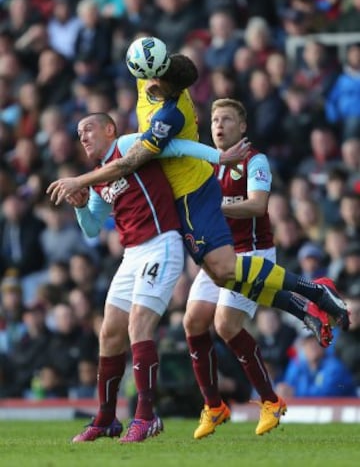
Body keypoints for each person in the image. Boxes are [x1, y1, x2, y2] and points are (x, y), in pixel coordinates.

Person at [47, 47, 349, 335]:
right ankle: (303, 308)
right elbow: (92, 225)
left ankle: (315, 291)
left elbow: (137, 160)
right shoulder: (146, 83)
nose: (153, 84)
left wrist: (80, 181)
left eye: (160, 82)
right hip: (178, 200)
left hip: (192, 192)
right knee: (222, 276)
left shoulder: (169, 115)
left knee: (225, 271)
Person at [67, 111, 248, 444]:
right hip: (131, 253)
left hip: (162, 243)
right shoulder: (98, 177)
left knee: (139, 324)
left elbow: (176, 145)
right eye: (79, 133)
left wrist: (219, 157)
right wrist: (80, 206)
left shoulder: (129, 144)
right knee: (109, 333)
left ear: (109, 129)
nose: (83, 137)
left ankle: (146, 416)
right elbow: (92, 229)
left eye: (88, 128)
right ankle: (107, 418)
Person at [182, 98, 333, 440]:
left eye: (227, 119)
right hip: (217, 254)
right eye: (215, 119)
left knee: (224, 324)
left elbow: (257, 205)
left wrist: (214, 208)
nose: (218, 125)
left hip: (254, 251)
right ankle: (213, 406)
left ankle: (269, 401)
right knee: (192, 321)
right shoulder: (206, 162)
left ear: (242, 127)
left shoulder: (255, 160)